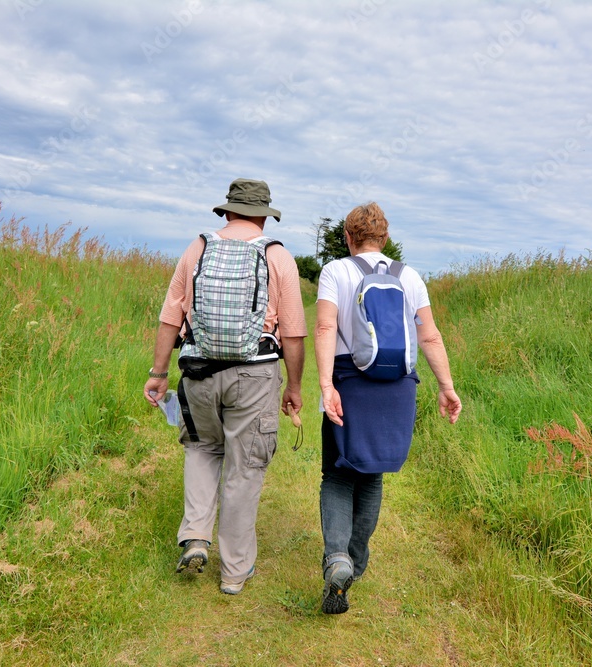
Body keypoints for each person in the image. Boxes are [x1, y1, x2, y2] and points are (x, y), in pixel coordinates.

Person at [143, 178, 306, 595]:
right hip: (255, 375)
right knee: (244, 467)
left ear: (227, 211)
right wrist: (295, 387)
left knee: (201, 449)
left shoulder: (197, 248)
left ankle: (196, 535)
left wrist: (159, 375)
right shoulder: (277, 255)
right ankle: (234, 573)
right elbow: (294, 333)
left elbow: (169, 318)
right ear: (264, 215)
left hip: (197, 371)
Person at [314, 202, 461, 614]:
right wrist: (446, 386)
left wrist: (326, 385)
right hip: (398, 386)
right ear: (386, 237)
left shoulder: (336, 271)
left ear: (348, 237)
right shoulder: (409, 276)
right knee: (373, 475)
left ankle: (337, 558)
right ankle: (355, 563)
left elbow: (325, 326)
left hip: (349, 381)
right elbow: (429, 336)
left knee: (340, 473)